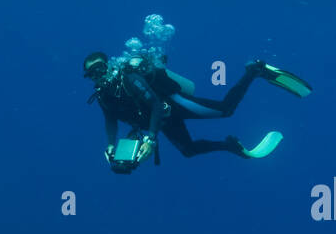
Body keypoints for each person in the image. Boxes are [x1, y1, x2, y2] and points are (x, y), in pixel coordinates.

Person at [84, 50, 311, 171]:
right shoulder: (103, 96)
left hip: (171, 105)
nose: (98, 75)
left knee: (226, 110)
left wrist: (151, 139)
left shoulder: (129, 79)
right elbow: (110, 120)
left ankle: (255, 70)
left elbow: (154, 103)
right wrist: (111, 145)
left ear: (109, 65)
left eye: (100, 69)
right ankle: (229, 146)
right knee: (189, 151)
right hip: (162, 120)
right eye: (92, 74)